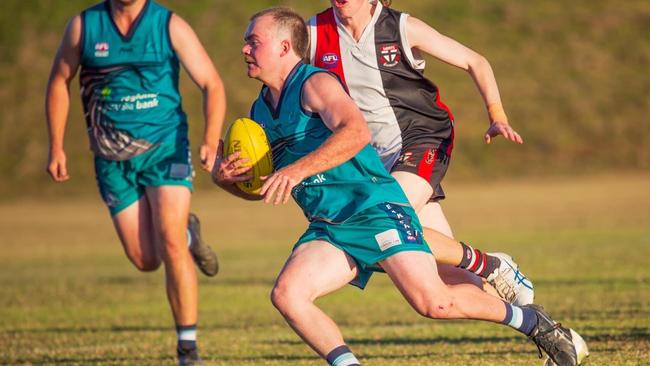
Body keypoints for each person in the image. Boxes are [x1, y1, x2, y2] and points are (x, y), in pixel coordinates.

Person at [213, 7, 588, 366]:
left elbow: (356, 132)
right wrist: (227, 180)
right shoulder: (259, 114)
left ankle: (535, 323)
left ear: (283, 47)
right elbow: (265, 188)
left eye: (253, 41)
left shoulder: (315, 83)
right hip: (330, 226)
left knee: (436, 303)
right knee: (288, 295)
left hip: (374, 210)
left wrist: (296, 170)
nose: (244, 49)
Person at [307, 0, 532, 305]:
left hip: (421, 139)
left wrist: (498, 116)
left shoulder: (401, 28)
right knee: (445, 275)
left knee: (382, 224)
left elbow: (475, 61)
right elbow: (284, 83)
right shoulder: (314, 33)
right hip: (368, 162)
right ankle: (536, 320)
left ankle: (491, 265)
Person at [45, 0, 225, 364]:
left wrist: (210, 138)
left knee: (170, 242)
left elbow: (212, 83)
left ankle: (187, 348)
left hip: (166, 148)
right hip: (111, 159)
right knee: (145, 259)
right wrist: (56, 146)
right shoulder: (84, 26)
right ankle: (189, 235)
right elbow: (59, 81)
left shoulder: (169, 25)